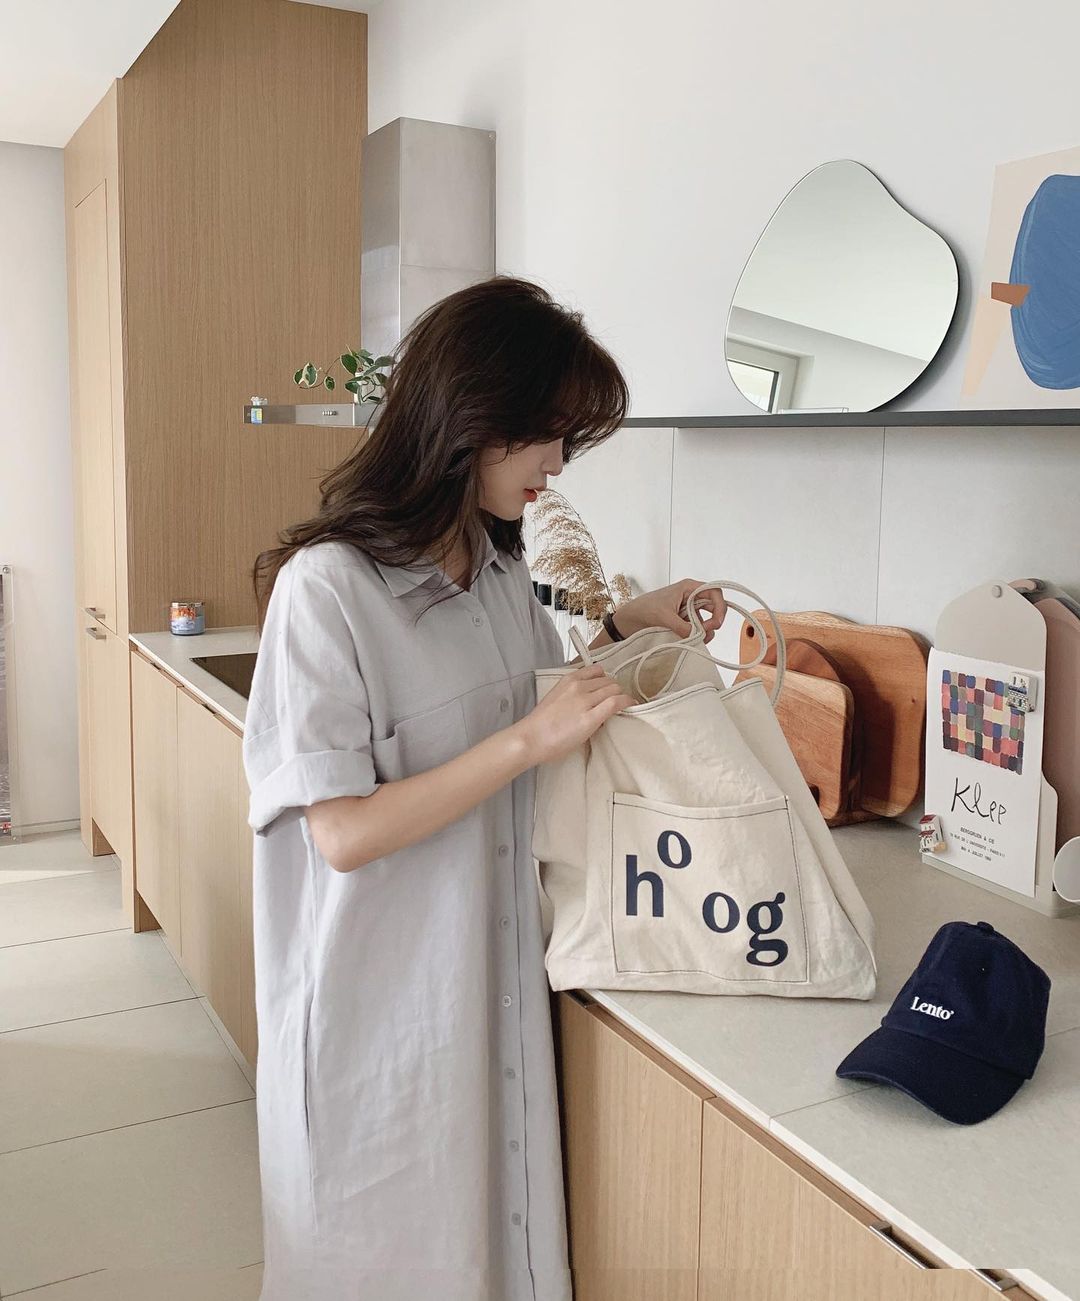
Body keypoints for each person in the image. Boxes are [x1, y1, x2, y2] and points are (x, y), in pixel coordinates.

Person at [242, 276, 726, 1301]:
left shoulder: (500, 573)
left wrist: (631, 622)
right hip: (380, 1008)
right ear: (472, 418)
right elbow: (343, 832)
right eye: (547, 435)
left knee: (493, 1257)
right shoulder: (328, 590)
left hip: (487, 984)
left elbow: (535, 700)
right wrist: (523, 742)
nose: (558, 464)